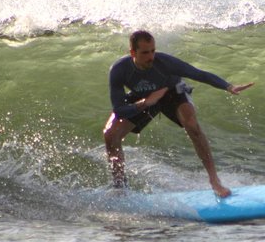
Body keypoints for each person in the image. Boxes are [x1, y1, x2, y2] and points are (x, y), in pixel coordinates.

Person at [103, 30, 254, 198]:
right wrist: (146, 102)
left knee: (191, 125)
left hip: (172, 92)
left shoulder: (165, 62)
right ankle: (120, 188)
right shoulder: (119, 70)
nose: (151, 56)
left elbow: (198, 74)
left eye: (153, 50)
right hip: (145, 98)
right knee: (110, 135)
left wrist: (228, 86)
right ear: (133, 53)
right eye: (145, 53)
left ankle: (214, 181)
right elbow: (118, 109)